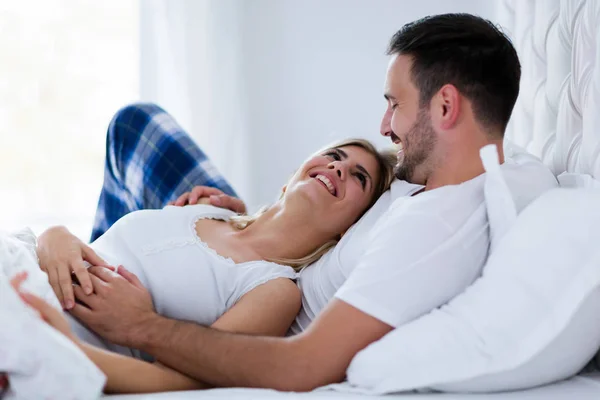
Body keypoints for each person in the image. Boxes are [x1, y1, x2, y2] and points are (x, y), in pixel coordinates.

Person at [38, 13, 558, 392]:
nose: (384, 126)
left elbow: (302, 365)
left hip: (254, 280)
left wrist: (139, 326)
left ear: (445, 105)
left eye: (394, 104)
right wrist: (238, 216)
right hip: (248, 227)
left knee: (134, 134)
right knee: (136, 127)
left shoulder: (437, 226)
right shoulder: (432, 176)